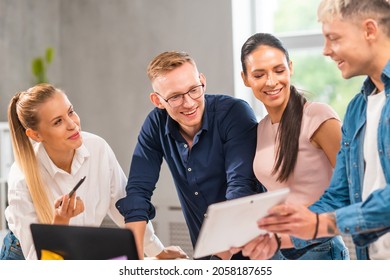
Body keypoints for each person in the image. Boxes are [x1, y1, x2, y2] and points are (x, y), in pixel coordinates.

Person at [249, 0, 390, 260]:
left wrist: (322, 224)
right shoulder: (358, 108)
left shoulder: (320, 116)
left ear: (370, 30)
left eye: (334, 38)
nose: (325, 50)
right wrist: (281, 236)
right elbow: (340, 194)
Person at [0, 83, 187, 260]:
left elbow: (123, 206)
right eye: (58, 122)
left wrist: (156, 251)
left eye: (71, 112)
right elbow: (41, 265)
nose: (72, 124)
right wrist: (60, 223)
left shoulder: (97, 148)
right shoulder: (22, 178)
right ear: (36, 135)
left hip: (77, 250)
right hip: (26, 257)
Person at [115, 51, 263, 259]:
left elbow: (240, 188)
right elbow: (138, 192)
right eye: (175, 97)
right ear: (157, 100)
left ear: (202, 81)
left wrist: (218, 259)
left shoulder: (234, 113)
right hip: (207, 251)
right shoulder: (155, 125)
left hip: (254, 251)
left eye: (194, 90)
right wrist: (133, 260)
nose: (189, 103)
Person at [233, 32, 349, 260]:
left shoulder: (317, 117)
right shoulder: (261, 128)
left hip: (319, 249)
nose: (271, 81)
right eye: (259, 74)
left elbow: (352, 190)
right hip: (276, 251)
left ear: (290, 68)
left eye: (278, 70)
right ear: (245, 78)